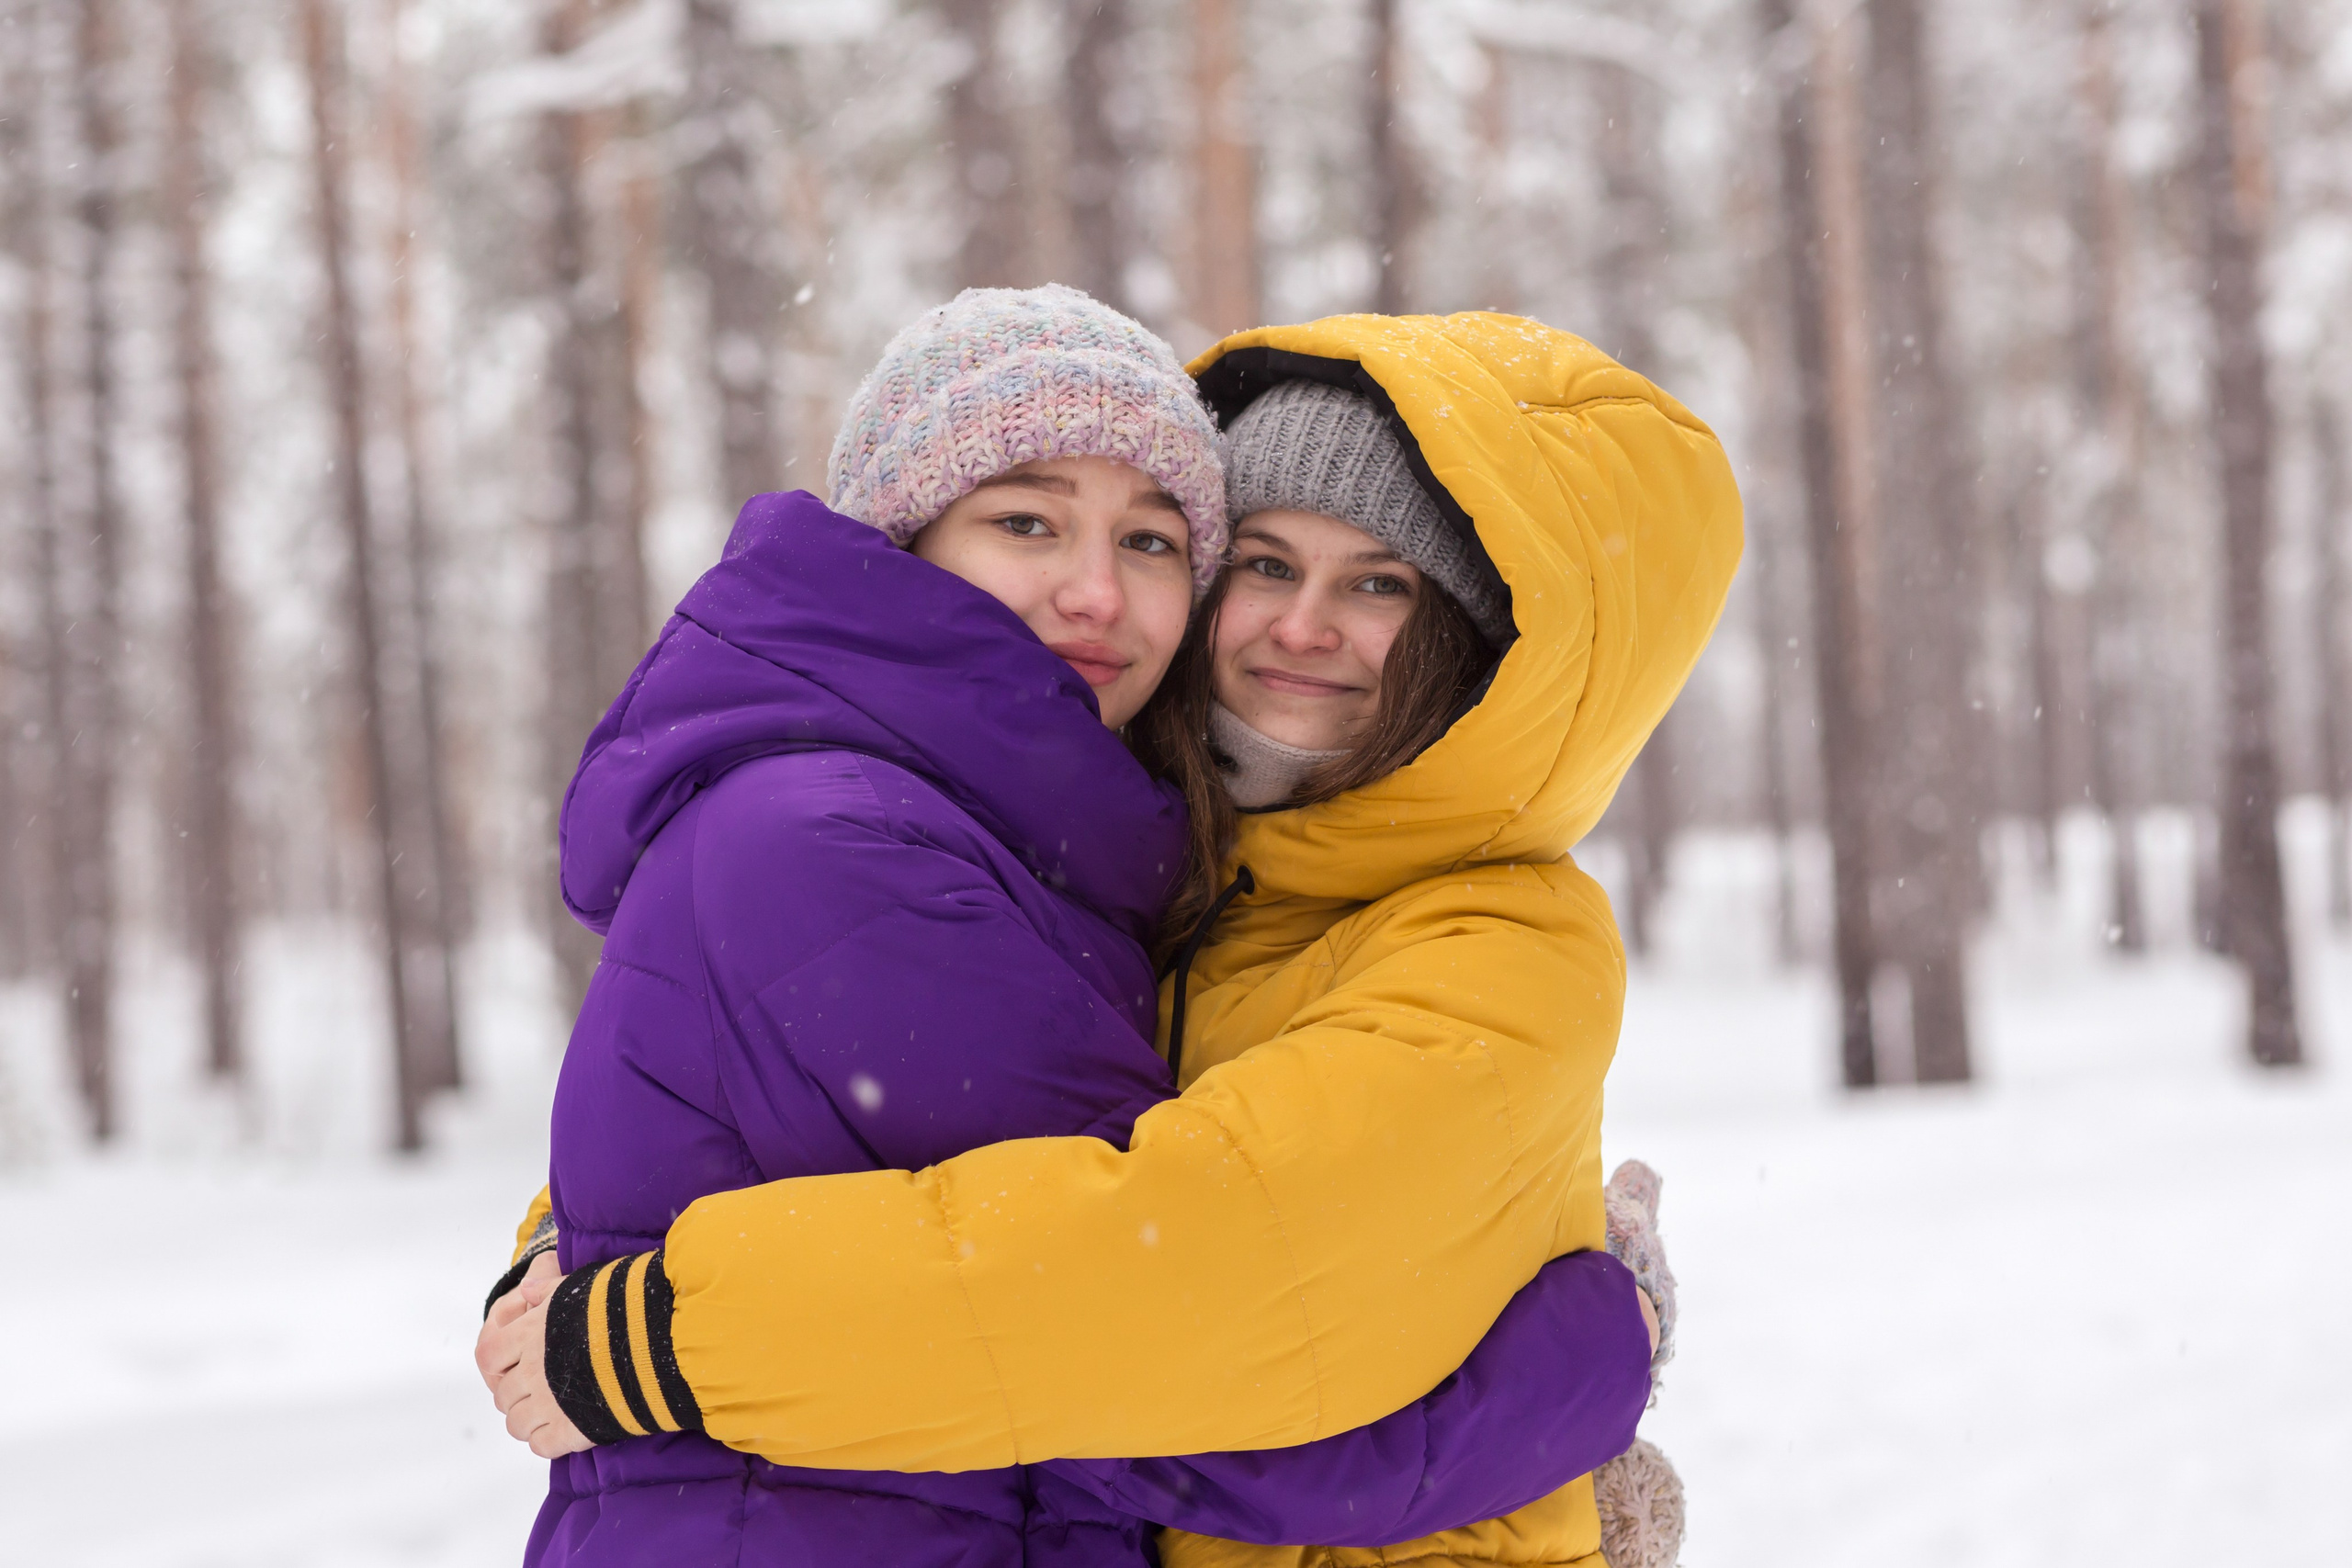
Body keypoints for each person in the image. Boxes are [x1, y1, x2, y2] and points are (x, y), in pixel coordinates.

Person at [481, 287, 1670, 1567]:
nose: (1097, 593)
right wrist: (1595, 1364)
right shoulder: (859, 839)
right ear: (903, 541)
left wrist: (602, 1285)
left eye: (1154, 542)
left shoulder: (1136, 870)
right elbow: (1155, 1362)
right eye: (1026, 521)